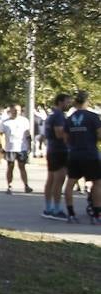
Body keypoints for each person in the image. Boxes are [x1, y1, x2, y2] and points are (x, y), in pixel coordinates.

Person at [64, 90, 100, 223]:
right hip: (90, 153)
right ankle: (96, 215)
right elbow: (99, 134)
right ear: (86, 101)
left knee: (70, 183)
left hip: (74, 154)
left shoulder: (70, 118)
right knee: (97, 182)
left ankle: (71, 213)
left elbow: (66, 138)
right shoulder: (93, 117)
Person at [42, 93, 70, 219]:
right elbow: (59, 133)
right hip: (59, 150)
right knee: (59, 179)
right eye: (67, 102)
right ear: (60, 102)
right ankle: (56, 209)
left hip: (52, 149)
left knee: (51, 179)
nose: (68, 104)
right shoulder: (58, 116)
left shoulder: (51, 115)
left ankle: (48, 207)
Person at [0, 105, 33, 193]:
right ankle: (9, 186)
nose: (16, 112)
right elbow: (1, 135)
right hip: (10, 148)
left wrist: (29, 145)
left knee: (22, 166)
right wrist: (2, 146)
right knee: (10, 167)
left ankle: (26, 185)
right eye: (14, 111)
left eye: (18, 110)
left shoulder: (24, 120)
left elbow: (27, 133)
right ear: (11, 111)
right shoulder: (5, 122)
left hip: (22, 147)